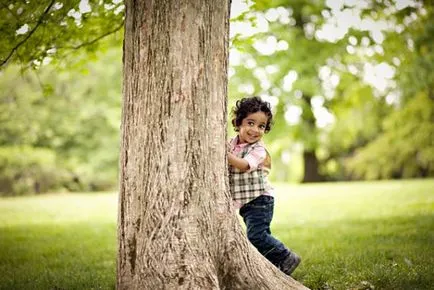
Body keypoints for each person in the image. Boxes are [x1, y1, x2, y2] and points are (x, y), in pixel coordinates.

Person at [227, 96, 301, 276]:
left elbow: (244, 165)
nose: (255, 130)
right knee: (260, 237)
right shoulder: (231, 143)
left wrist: (224, 155)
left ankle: (286, 257)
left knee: (256, 236)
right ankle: (274, 265)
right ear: (238, 123)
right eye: (250, 123)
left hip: (261, 200)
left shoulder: (258, 149)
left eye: (261, 126)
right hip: (247, 203)